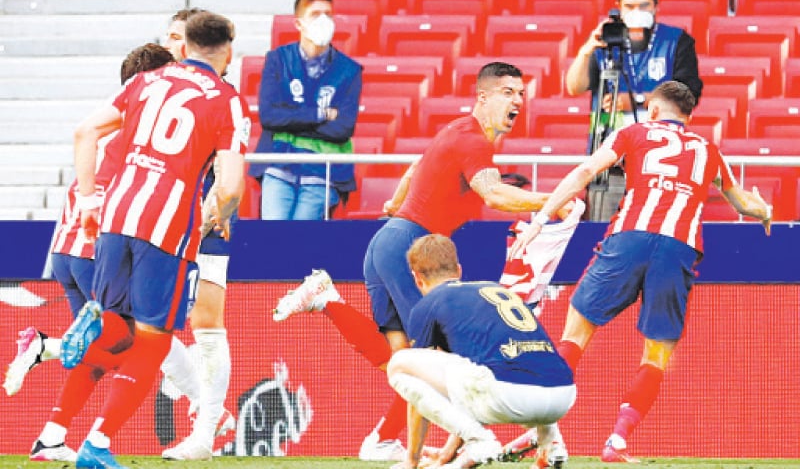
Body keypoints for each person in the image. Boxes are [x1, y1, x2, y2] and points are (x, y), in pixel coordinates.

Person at [272, 62, 572, 462]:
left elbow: (415, 168)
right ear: (482, 97)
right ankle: (448, 447)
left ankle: (330, 305)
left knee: (399, 359)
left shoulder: (458, 130)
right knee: (435, 361)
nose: (517, 100)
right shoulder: (475, 142)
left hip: (388, 242)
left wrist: (396, 203)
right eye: (507, 92)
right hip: (413, 248)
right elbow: (496, 196)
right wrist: (555, 201)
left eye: (521, 93)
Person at [509, 81, 772, 463]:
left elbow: (586, 170)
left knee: (577, 329)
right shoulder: (708, 149)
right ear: (689, 117)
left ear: (652, 111)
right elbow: (743, 202)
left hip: (629, 236)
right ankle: (617, 441)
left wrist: (541, 219)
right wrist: (765, 212)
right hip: (679, 247)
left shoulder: (633, 132)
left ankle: (541, 428)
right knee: (656, 354)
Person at [49, 11, 247, 468]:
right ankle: (97, 444)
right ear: (227, 51)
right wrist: (217, 215)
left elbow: (85, 132)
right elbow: (231, 184)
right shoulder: (227, 100)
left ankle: (85, 333)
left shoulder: (146, 80)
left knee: (121, 327)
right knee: (155, 339)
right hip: (169, 228)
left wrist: (89, 202)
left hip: (116, 214)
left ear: (186, 45)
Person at [10, 43, 174, 463]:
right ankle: (46, 347)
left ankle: (51, 436)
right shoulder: (141, 127)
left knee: (103, 352)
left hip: (66, 248)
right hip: (99, 246)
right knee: (136, 344)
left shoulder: (109, 120)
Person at [387, 234, 576, 469]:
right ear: (458, 269)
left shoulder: (428, 305)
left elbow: (421, 392)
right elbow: (468, 387)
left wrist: (411, 461)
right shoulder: (496, 289)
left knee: (400, 363)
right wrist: (448, 453)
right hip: (563, 396)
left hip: (510, 396)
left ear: (417, 279)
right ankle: (551, 442)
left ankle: (479, 442)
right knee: (516, 363)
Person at [158, 7, 237, 461]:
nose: (173, 44)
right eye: (168, 36)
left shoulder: (222, 95)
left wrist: (219, 206)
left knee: (206, 322)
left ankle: (205, 433)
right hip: (158, 217)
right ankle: (211, 410)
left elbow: (231, 169)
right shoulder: (148, 88)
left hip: (208, 215)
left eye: (179, 37)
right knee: (146, 320)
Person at [565, 0, 703, 221]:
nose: (637, 12)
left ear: (656, 6)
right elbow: (574, 87)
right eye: (630, 7)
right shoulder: (605, 43)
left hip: (661, 164)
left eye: (644, 6)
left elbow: (689, 94)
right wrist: (587, 49)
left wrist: (636, 100)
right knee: (603, 237)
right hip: (610, 165)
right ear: (618, 5)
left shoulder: (677, 41)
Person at [248, 0, 361, 220]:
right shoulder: (278, 60)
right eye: (315, 14)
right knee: (275, 236)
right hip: (279, 165)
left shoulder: (350, 70)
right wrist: (320, 114)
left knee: (300, 241)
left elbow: (343, 128)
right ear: (299, 23)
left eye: (328, 14)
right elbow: (269, 117)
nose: (323, 20)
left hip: (323, 172)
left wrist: (291, 118)